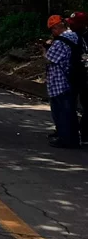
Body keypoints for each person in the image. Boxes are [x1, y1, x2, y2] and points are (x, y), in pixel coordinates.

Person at [44, 15, 82, 149]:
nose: (52, 32)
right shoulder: (75, 36)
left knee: (62, 113)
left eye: (52, 29)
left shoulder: (60, 42)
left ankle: (65, 139)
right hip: (71, 79)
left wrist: (46, 48)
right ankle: (71, 137)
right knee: (69, 112)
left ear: (57, 27)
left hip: (60, 82)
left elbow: (49, 59)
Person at [66, 12, 88, 142]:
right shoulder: (71, 36)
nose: (71, 26)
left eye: (74, 24)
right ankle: (69, 132)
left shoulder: (84, 37)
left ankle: (83, 133)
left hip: (84, 76)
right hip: (74, 75)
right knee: (69, 105)